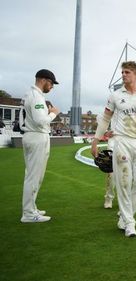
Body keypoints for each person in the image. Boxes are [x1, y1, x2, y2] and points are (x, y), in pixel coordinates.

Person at [91, 61, 136, 238]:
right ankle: (129, 223)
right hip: (121, 142)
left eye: (127, 72)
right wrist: (95, 141)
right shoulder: (115, 96)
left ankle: (124, 215)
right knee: (123, 182)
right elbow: (105, 119)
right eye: (122, 72)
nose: (123, 75)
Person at [19, 69, 60, 223]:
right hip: (36, 136)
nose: (52, 87)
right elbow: (40, 121)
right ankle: (28, 213)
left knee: (35, 176)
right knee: (33, 177)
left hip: (33, 136)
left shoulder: (31, 94)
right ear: (43, 80)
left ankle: (31, 207)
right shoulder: (36, 96)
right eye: (51, 83)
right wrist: (53, 113)